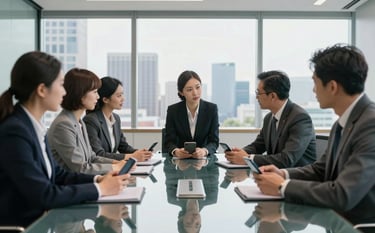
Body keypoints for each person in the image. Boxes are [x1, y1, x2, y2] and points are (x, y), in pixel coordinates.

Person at [0, 51, 130, 228]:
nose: (64, 91)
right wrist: (101, 189)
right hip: (28, 227)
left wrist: (97, 180)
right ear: (41, 90)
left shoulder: (32, 126)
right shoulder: (15, 131)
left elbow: (58, 175)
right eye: (61, 84)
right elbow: (44, 194)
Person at [253, 44, 375, 225]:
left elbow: (342, 194)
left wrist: (282, 186)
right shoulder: (341, 124)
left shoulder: (370, 125)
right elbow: (320, 170)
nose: (313, 90)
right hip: (335, 221)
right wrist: (283, 174)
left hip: (357, 226)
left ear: (332, 87)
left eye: (315, 82)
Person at [225, 70, 316, 168]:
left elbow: (287, 159)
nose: (256, 97)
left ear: (273, 96)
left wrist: (247, 158)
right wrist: (239, 153)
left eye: (259, 93)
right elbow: (258, 146)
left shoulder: (300, 118)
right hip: (274, 174)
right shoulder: (269, 118)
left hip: (296, 178)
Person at [47, 68, 126, 175]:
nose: (98, 97)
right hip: (71, 186)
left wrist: (119, 163)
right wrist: (114, 167)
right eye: (94, 92)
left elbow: (92, 157)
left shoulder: (79, 122)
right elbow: (80, 168)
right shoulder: (63, 125)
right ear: (80, 95)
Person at [83, 76, 152, 162]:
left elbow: (123, 147)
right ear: (105, 99)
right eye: (119, 96)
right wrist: (131, 156)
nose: (123, 99)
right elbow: (98, 154)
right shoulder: (91, 120)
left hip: (114, 167)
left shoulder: (116, 118)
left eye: (122, 94)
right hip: (101, 170)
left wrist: (140, 153)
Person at [164, 70, 219, 159]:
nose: (195, 93)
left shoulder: (211, 109)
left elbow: (214, 141)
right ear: (181, 92)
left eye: (198, 87)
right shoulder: (173, 111)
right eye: (189, 89)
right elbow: (169, 142)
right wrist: (176, 151)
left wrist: (204, 151)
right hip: (180, 164)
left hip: (204, 164)